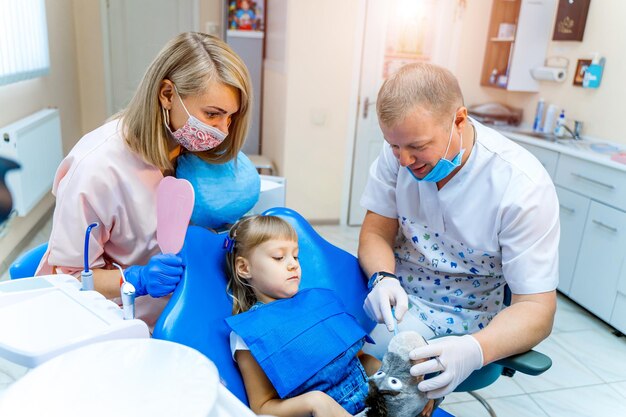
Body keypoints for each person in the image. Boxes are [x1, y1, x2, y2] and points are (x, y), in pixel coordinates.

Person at [359, 62, 559, 399]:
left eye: (418, 147)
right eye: (395, 147)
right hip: (403, 299)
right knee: (340, 362)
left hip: (472, 320)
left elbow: (537, 309)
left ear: (459, 120)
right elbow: (375, 232)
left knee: (393, 390)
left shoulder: (522, 186)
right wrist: (383, 277)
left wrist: (474, 350)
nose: (404, 161)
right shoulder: (399, 151)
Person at [36, 32, 253, 328]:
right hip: (124, 320)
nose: (222, 131)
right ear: (167, 94)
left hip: (189, 306)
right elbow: (69, 277)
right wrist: (137, 278)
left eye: (230, 117)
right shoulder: (97, 169)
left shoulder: (192, 151)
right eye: (213, 114)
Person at [223, 215, 383, 417]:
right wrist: (314, 402)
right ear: (244, 268)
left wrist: (390, 374)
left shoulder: (319, 303)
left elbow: (359, 361)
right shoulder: (250, 334)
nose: (293, 265)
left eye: (295, 256)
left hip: (375, 404)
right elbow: (261, 406)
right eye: (279, 257)